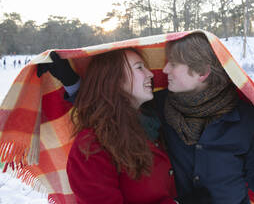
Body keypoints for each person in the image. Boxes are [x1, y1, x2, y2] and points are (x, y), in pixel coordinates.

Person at [47, 33, 254, 204]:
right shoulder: (160, 106)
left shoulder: (246, 118)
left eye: (173, 64)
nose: (162, 71)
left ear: (202, 72)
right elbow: (111, 106)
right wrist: (74, 83)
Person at [37, 49, 212, 204]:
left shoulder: (152, 122)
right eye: (139, 67)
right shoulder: (90, 148)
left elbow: (102, 107)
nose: (151, 74)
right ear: (114, 80)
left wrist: (73, 84)